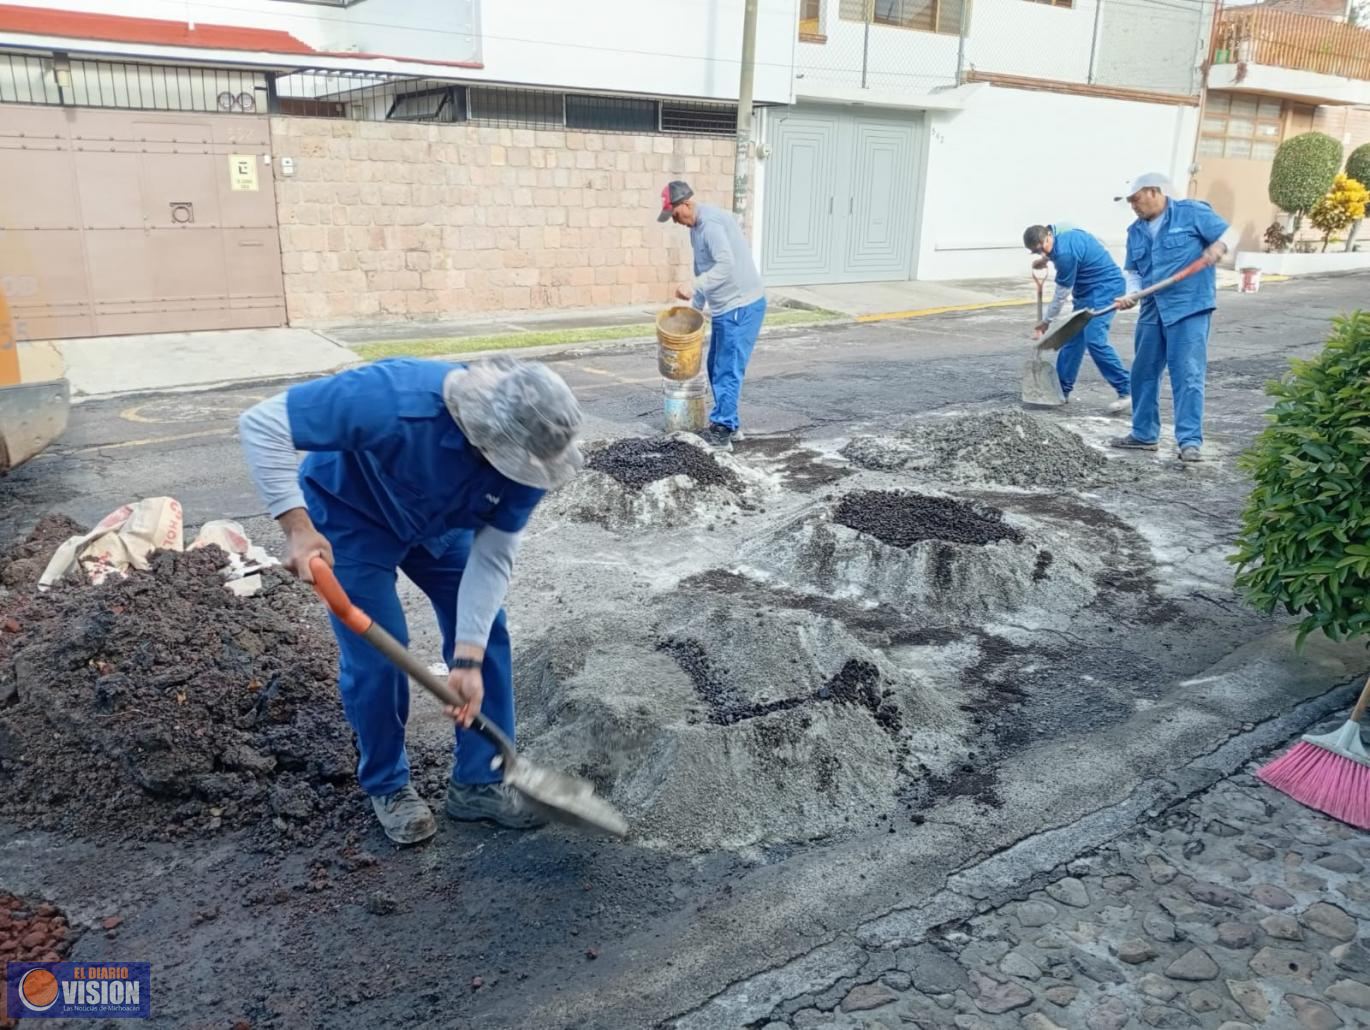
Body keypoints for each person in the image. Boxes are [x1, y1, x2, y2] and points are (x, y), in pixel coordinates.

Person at [238, 357, 583, 844]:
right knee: (380, 653)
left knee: (488, 637)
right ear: (481, 435)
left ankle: (478, 782)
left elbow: (492, 559)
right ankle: (388, 785)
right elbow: (262, 422)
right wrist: (297, 526)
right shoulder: (393, 398)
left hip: (440, 526)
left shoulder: (531, 461)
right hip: (350, 515)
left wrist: (467, 657)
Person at [1110, 173, 1237, 462]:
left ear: (1154, 192)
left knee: (1187, 374)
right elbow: (1133, 272)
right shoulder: (1136, 231)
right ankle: (1144, 435)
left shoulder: (1191, 213)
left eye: (1135, 199)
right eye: (1129, 202)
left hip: (1188, 306)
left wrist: (1218, 246)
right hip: (1152, 308)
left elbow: (1231, 233)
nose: (1133, 206)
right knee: (1142, 373)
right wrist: (1132, 294)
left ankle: (1189, 441)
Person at [659, 180, 767, 451]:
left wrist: (693, 286)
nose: (675, 221)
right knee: (714, 365)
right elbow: (702, 266)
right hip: (725, 307)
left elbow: (725, 265)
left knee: (726, 368)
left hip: (741, 306)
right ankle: (729, 423)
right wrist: (695, 307)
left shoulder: (711, 225)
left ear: (686, 203)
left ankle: (723, 430)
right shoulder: (695, 227)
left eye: (674, 215)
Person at [1023, 222, 1131, 414]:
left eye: (1042, 249)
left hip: (1105, 289)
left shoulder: (1065, 255)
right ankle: (1061, 391)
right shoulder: (1059, 231)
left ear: (1048, 237)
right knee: (1072, 340)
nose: (1041, 254)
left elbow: (1061, 294)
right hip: (1086, 292)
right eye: (1036, 252)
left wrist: (1046, 321)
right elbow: (1074, 241)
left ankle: (1127, 390)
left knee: (1095, 339)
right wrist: (1046, 258)